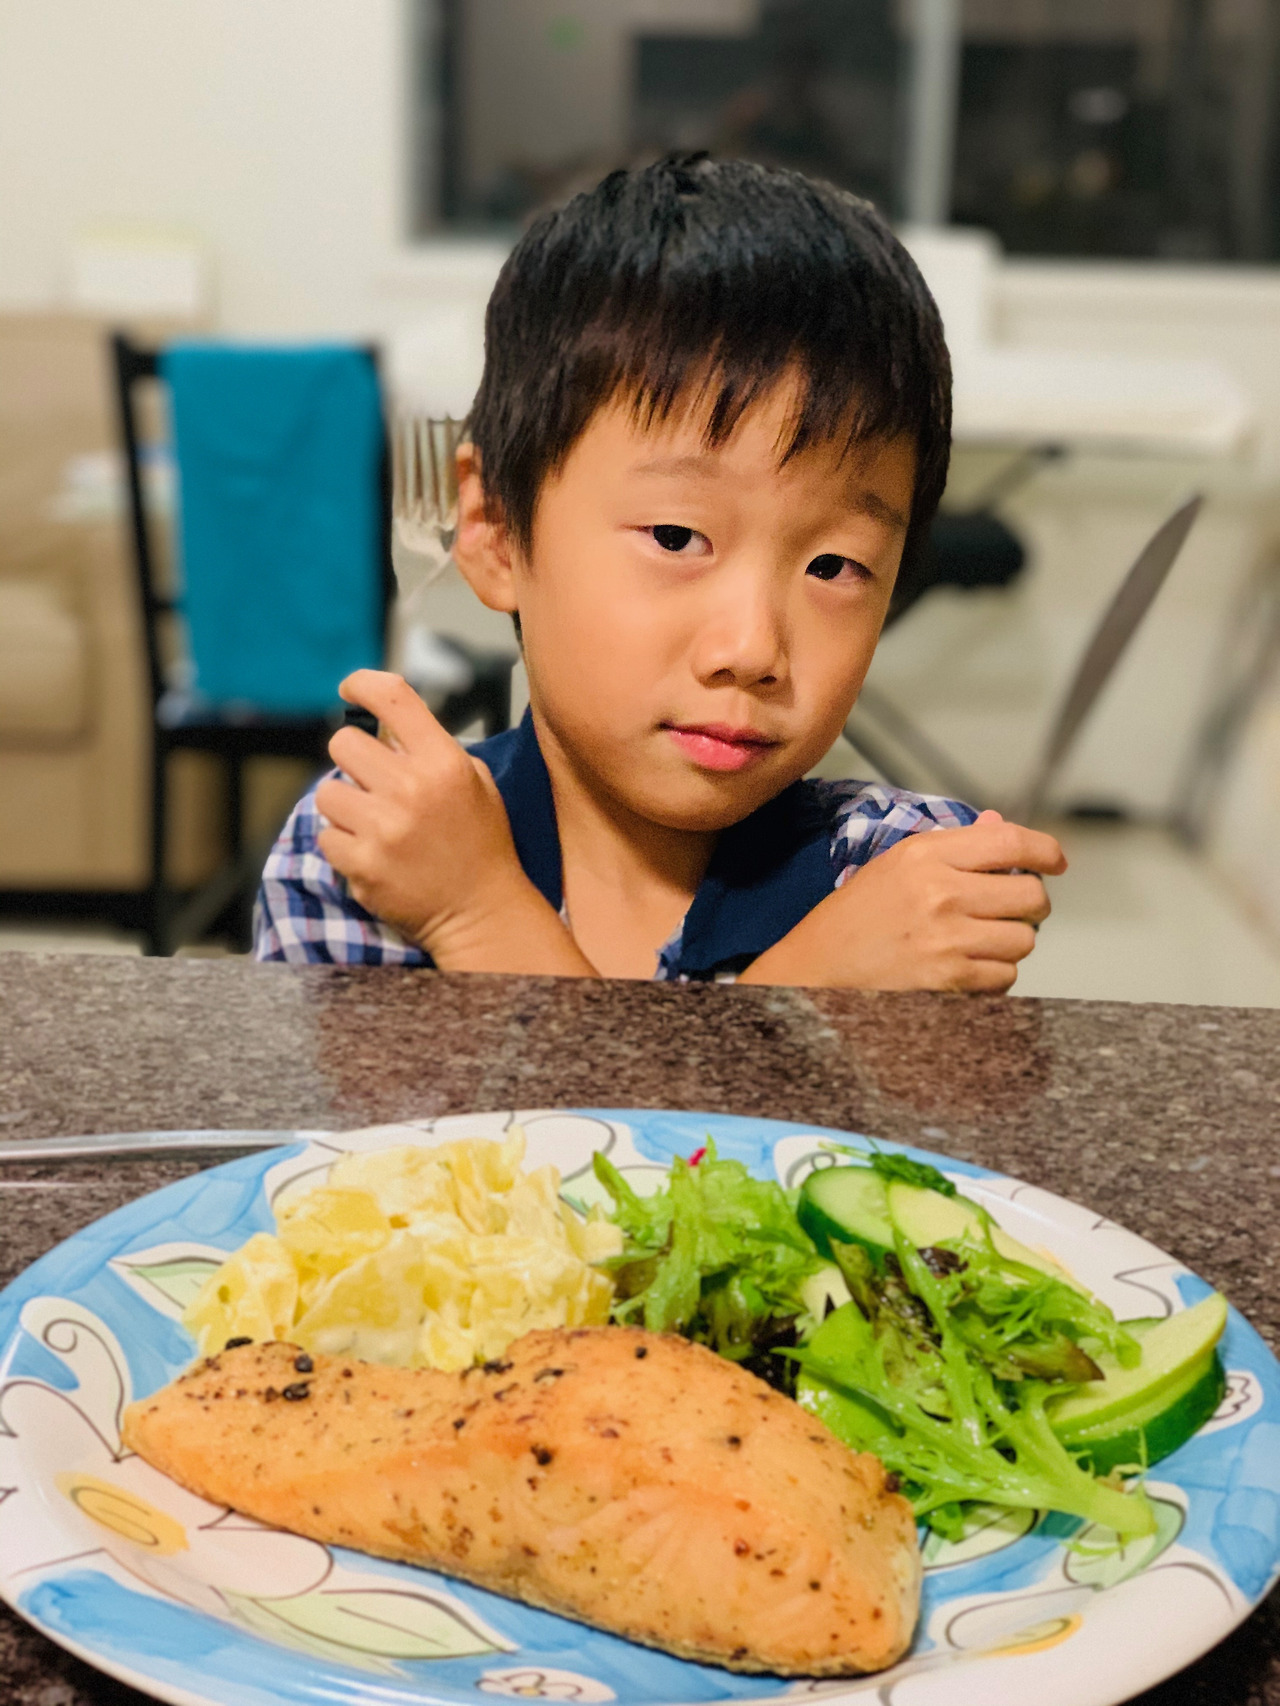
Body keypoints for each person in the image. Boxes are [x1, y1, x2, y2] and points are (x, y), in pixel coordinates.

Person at [255, 155, 1064, 988]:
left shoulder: (896, 881)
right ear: (495, 530)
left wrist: (480, 921)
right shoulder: (375, 849)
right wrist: (474, 909)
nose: (751, 649)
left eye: (834, 566)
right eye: (677, 538)